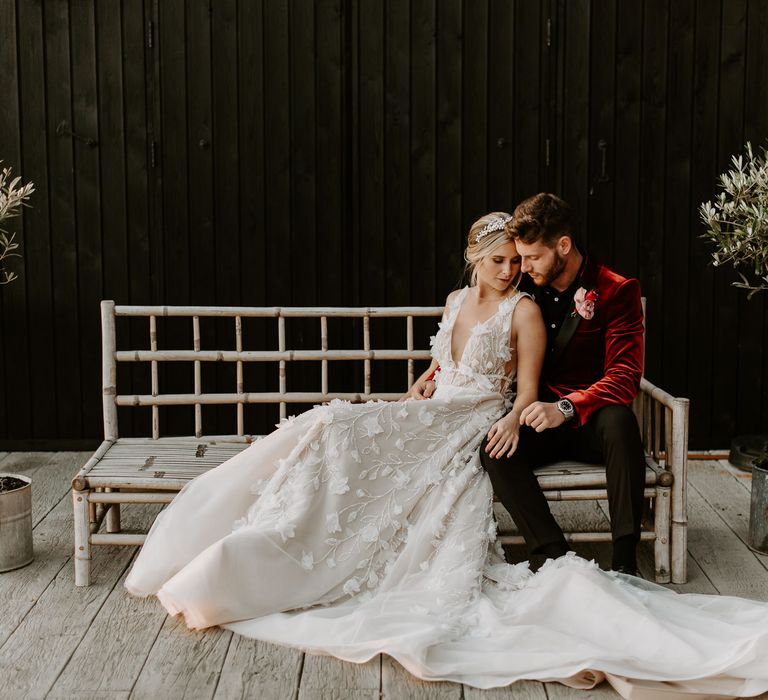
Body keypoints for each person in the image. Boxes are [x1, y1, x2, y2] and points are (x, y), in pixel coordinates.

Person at [125, 213, 768, 698]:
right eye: (498, 262)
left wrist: (518, 417)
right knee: (331, 428)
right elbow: (441, 362)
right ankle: (281, 535)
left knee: (341, 430)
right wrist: (416, 392)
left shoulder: (525, 313)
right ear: (473, 261)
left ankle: (289, 555)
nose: (510, 271)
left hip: (478, 415)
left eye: (515, 262)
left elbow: (522, 390)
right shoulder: (458, 301)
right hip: (437, 407)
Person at [480, 193, 645, 575]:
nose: (523, 267)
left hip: (592, 421)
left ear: (564, 246)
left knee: (622, 422)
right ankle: (555, 559)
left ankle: (624, 562)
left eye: (533, 257)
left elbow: (624, 377)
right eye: (521, 257)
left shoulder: (616, 290)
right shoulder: (523, 287)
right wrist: (433, 376)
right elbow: (478, 334)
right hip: (537, 417)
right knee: (495, 450)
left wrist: (567, 407)